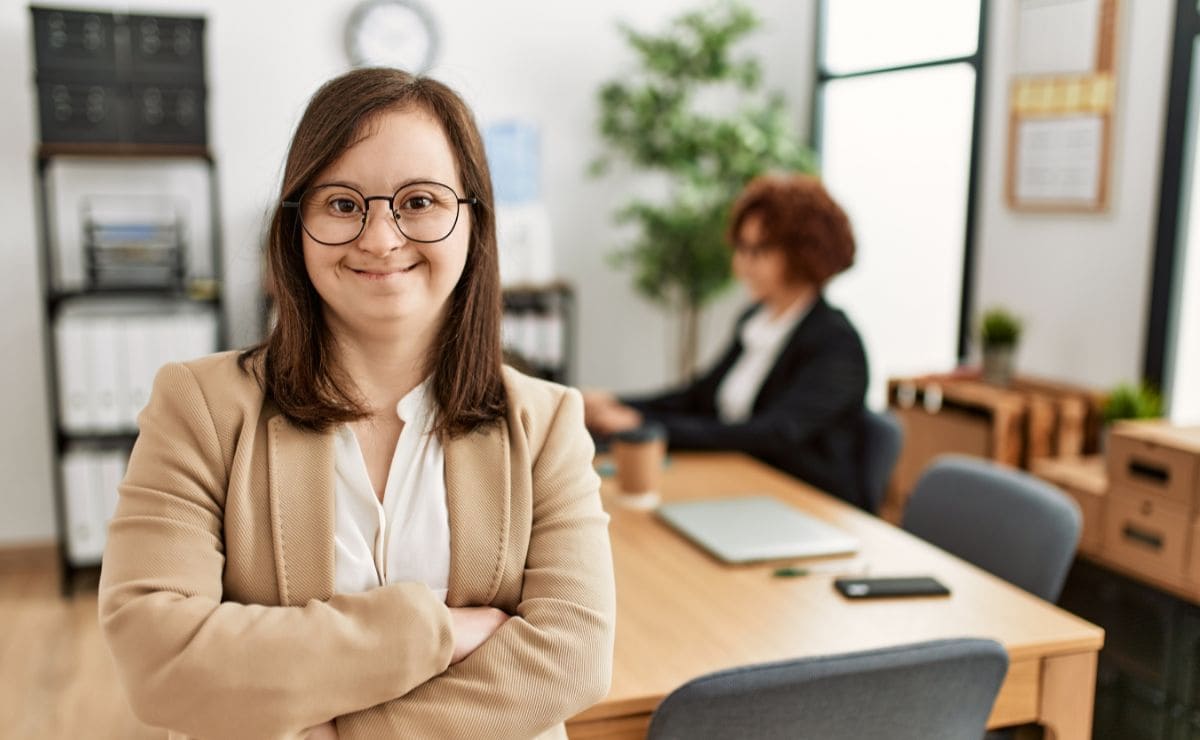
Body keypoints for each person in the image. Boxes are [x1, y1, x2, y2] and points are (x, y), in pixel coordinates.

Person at [98, 68, 615, 740]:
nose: (379, 237)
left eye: (420, 201)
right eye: (342, 204)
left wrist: (338, 730)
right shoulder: (199, 407)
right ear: (296, 227)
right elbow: (158, 657)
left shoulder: (546, 425)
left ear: (474, 220)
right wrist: (438, 631)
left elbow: (570, 660)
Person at [584, 173, 869, 509]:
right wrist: (618, 404)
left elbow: (772, 434)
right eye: (741, 248)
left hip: (808, 503)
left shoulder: (837, 344)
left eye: (758, 250)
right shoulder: (756, 321)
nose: (742, 264)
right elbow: (698, 397)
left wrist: (643, 424)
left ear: (803, 253)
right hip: (744, 486)